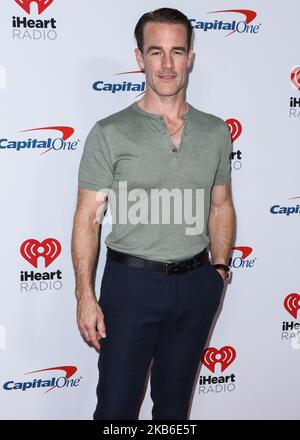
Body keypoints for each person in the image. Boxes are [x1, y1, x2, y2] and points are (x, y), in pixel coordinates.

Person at [71, 7, 236, 420]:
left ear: (190, 58)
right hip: (131, 288)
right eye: (156, 51)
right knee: (115, 410)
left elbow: (221, 205)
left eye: (177, 51)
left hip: (197, 285)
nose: (167, 64)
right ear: (139, 58)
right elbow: (87, 220)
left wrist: (218, 271)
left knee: (174, 411)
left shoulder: (216, 131)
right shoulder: (110, 132)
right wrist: (84, 294)